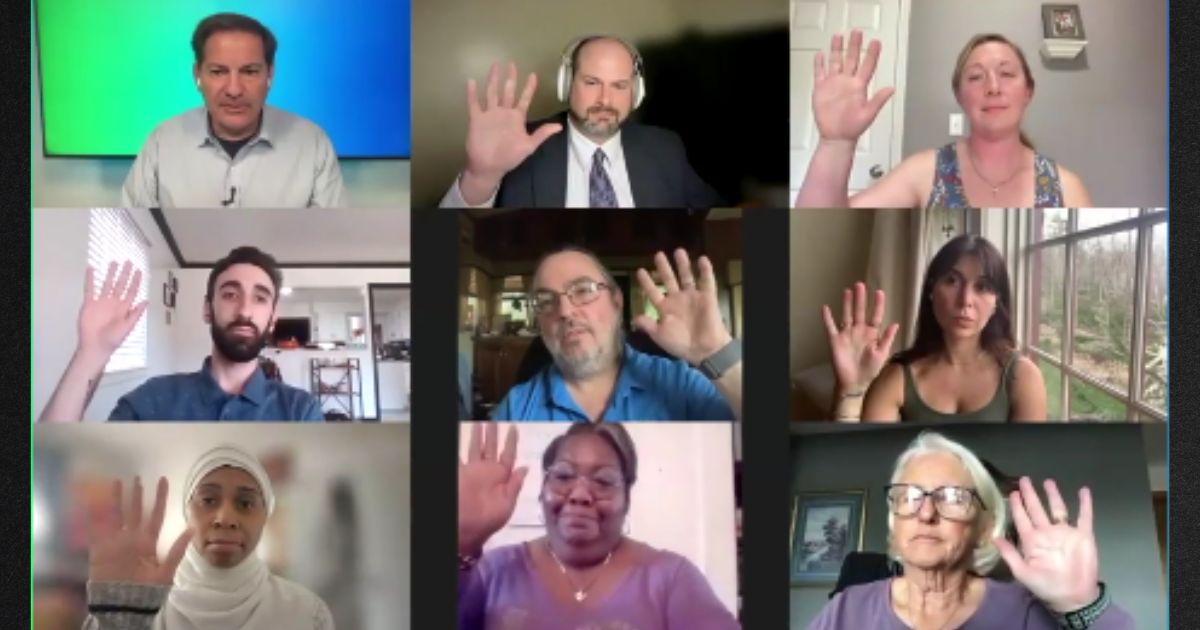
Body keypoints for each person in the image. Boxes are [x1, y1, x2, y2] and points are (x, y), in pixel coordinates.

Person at [809, 431, 1134, 629]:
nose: (925, 513)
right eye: (909, 496)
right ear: (896, 521)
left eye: (952, 497)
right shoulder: (846, 609)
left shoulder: (1024, 612)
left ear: (985, 528)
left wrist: (1080, 603)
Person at [458, 422, 740, 629]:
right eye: (564, 475)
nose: (580, 495)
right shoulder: (492, 570)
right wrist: (463, 539)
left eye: (604, 481)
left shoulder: (671, 578)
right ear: (543, 490)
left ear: (626, 499)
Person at [794, 31, 1092, 209]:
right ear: (960, 95)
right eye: (976, 77)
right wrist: (836, 143)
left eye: (1007, 74)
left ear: (1028, 91)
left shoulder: (1067, 187)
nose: (993, 87)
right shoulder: (924, 171)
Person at [38, 246, 323, 421]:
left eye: (260, 298)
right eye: (230, 294)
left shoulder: (300, 410)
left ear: (273, 318)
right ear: (207, 309)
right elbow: (45, 467)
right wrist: (91, 352)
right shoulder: (151, 400)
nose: (245, 310)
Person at [439, 35, 723, 208]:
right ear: (566, 84)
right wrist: (480, 178)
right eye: (591, 82)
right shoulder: (518, 147)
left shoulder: (665, 146)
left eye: (620, 86)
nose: (606, 100)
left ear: (636, 93)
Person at [82, 445, 334, 629]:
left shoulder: (307, 614)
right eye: (208, 500)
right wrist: (120, 617)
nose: (225, 518)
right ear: (186, 512)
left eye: (246, 503)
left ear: (265, 516)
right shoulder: (142, 601)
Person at [121, 13, 346, 208]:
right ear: (197, 75)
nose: (234, 90)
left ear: (270, 75)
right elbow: (132, 234)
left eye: (249, 71)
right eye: (219, 72)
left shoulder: (313, 144)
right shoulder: (162, 141)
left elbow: (333, 239)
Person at [491, 245, 741, 421]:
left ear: (616, 302)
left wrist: (716, 351)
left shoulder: (680, 384)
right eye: (545, 300)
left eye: (583, 290)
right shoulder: (515, 409)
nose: (565, 311)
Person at [823, 235, 1047, 421]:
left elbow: (1032, 467)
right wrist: (851, 390)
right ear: (931, 290)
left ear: (997, 301)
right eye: (952, 280)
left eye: (982, 287)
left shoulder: (1023, 377)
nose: (965, 300)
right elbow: (862, 464)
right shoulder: (898, 377)